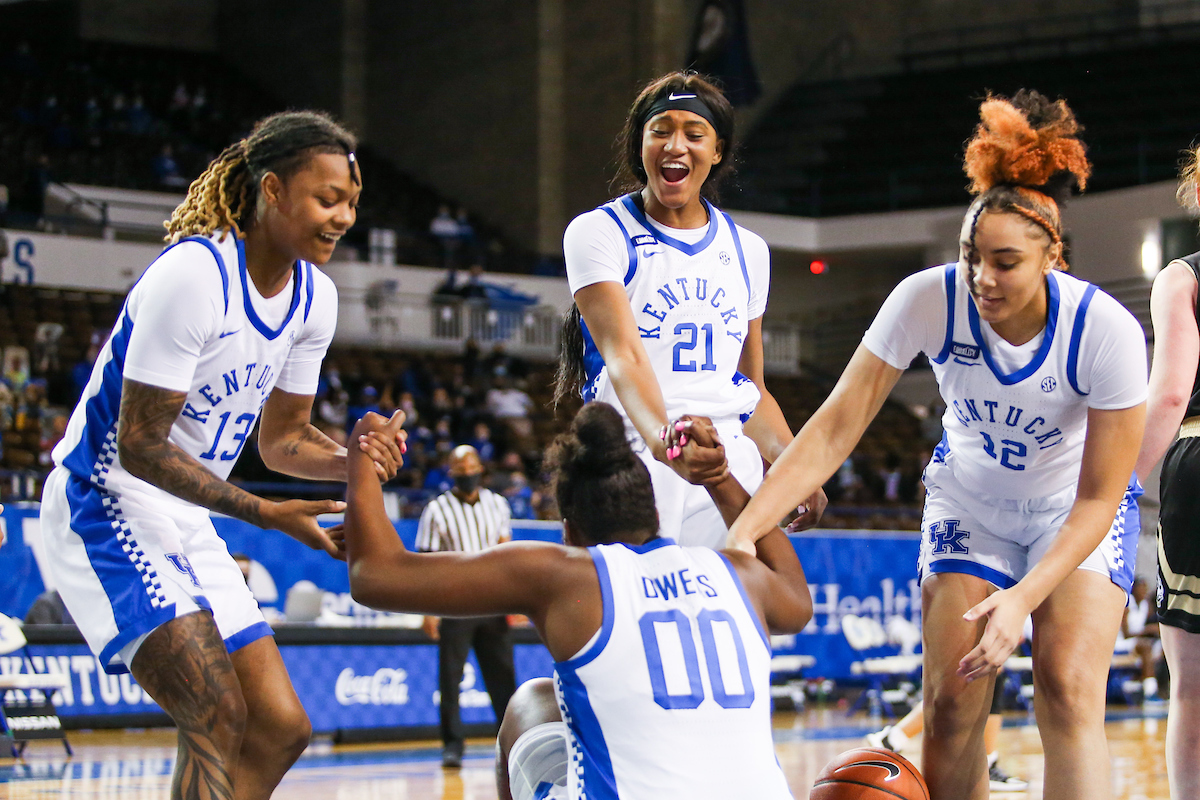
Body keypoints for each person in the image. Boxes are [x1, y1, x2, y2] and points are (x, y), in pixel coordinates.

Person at [719, 91, 1147, 800]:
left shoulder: (1106, 332)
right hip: (969, 503)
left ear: (1053, 258)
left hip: (1069, 511)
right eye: (971, 256)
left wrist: (1022, 601)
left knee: (1066, 689)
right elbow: (835, 425)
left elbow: (1102, 495)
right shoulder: (929, 298)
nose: (983, 277)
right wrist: (744, 532)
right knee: (951, 704)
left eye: (1005, 262)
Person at [37, 111, 403, 800]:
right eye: (328, 199)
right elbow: (140, 447)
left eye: (352, 203)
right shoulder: (195, 275)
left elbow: (282, 438)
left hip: (182, 513)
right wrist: (266, 513)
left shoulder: (314, 298)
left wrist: (358, 457)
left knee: (279, 727)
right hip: (105, 498)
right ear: (272, 190)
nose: (344, 217)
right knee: (215, 710)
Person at [341, 402, 812, 800]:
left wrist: (363, 452)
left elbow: (373, 576)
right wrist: (720, 477)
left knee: (530, 703)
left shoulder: (566, 575)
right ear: (653, 513)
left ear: (569, 529)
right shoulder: (739, 574)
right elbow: (798, 599)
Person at [553, 70, 823, 549]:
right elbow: (623, 357)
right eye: (660, 131)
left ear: (717, 151)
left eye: (694, 134)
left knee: (744, 616)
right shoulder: (598, 233)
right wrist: (665, 443)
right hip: (635, 454)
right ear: (641, 143)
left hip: (724, 461)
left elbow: (750, 388)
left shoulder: (749, 251)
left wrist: (790, 462)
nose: (675, 145)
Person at [1132, 145, 1200, 798]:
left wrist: (1118, 489)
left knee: (1194, 689)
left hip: (1198, 466)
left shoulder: (1184, 277)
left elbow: (1171, 397)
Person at [417, 444, 517, 768]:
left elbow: (506, 553)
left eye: (471, 469)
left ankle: (513, 741)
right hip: (454, 603)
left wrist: (514, 600)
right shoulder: (436, 509)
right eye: (460, 471)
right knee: (450, 679)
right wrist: (428, 610)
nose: (467, 475)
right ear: (452, 474)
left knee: (503, 678)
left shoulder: (497, 504)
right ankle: (453, 745)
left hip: (492, 602)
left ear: (480, 470)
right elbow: (427, 564)